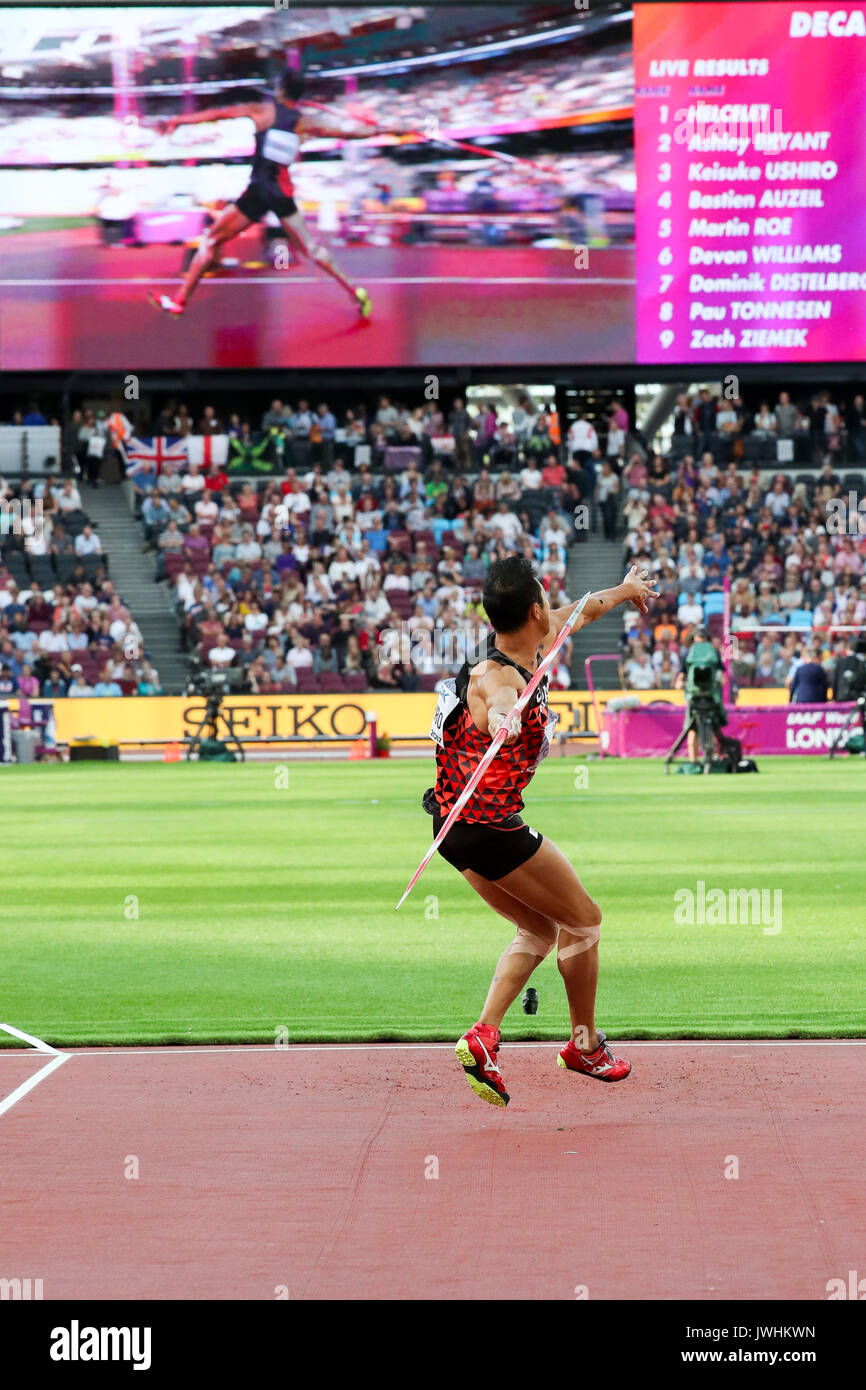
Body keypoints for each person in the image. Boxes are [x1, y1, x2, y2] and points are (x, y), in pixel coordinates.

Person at [423, 555, 656, 1107]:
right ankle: (584, 1046)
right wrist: (505, 717)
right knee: (585, 922)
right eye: (544, 601)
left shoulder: (537, 635)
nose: (552, 610)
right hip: (487, 826)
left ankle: (483, 1036)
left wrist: (625, 590)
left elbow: (581, 610)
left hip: (452, 826)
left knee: (538, 931)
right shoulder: (497, 675)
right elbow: (493, 697)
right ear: (532, 609)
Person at [149, 71, 372, 319]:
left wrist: (179, 120)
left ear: (280, 89)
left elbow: (218, 114)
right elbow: (347, 134)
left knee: (211, 241)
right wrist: (383, 129)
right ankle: (353, 291)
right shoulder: (305, 122)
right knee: (311, 248)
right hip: (281, 195)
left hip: (257, 192)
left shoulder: (263, 110)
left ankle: (180, 302)